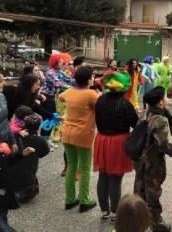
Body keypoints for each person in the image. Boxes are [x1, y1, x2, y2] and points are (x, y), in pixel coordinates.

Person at [94, 71, 138, 221]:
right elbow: (135, 124)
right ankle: (114, 212)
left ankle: (104, 210)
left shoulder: (100, 100)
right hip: (118, 141)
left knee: (103, 175)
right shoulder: (125, 104)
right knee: (115, 177)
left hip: (102, 139)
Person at [134, 86, 172, 232]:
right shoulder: (160, 119)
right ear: (160, 102)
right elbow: (162, 145)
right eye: (165, 97)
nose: (167, 99)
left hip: (140, 159)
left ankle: (137, 221)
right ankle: (157, 224)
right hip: (153, 162)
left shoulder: (146, 114)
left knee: (140, 190)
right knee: (152, 193)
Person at [59, 67, 99, 213]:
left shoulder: (69, 91)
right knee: (84, 168)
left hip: (67, 132)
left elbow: (61, 97)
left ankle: (69, 200)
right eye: (92, 76)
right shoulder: (91, 94)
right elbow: (100, 105)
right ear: (89, 79)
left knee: (71, 166)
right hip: (83, 134)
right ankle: (84, 200)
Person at [8, 113, 50, 203]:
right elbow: (44, 152)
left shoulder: (14, 137)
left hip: (10, 175)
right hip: (28, 173)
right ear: (38, 127)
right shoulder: (40, 141)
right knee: (29, 172)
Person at [40, 53, 72, 145]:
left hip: (52, 98)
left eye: (63, 62)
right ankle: (44, 140)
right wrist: (73, 88)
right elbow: (58, 84)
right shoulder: (51, 72)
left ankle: (47, 139)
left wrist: (79, 82)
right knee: (48, 118)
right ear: (55, 63)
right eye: (61, 63)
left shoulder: (59, 71)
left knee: (52, 118)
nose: (63, 64)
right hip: (45, 97)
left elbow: (69, 79)